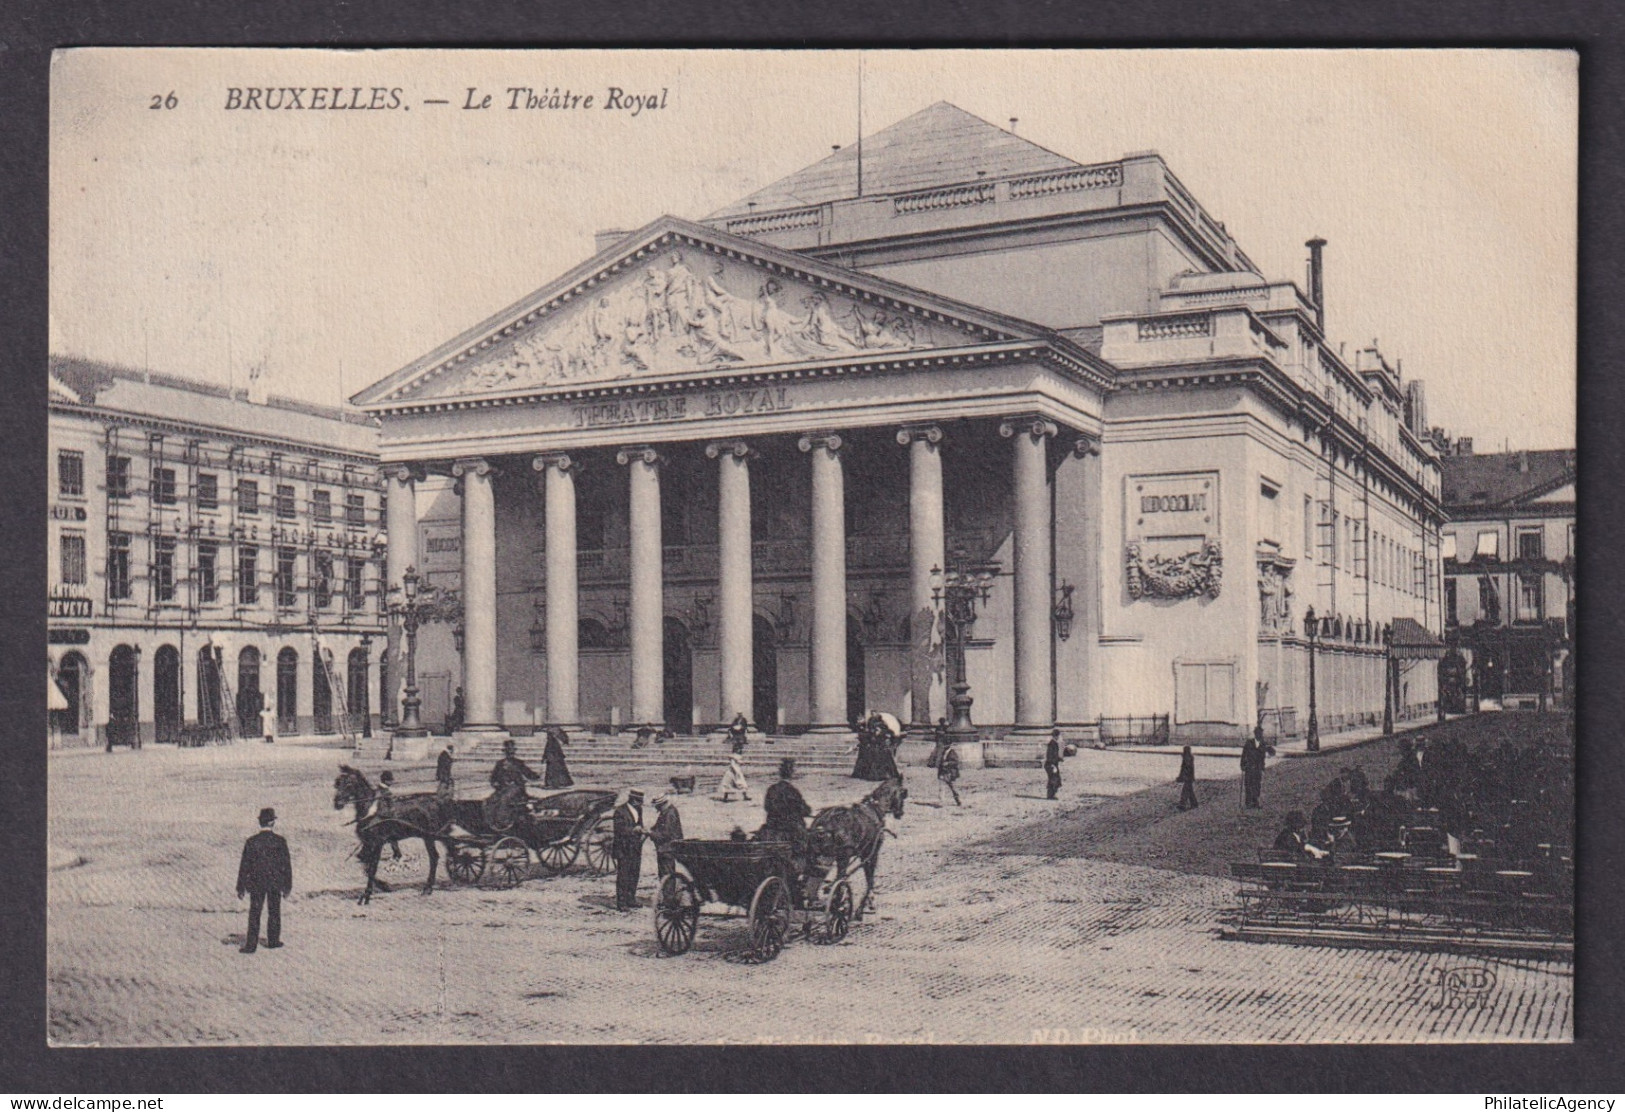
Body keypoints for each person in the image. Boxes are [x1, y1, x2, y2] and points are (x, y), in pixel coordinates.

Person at [236, 807, 292, 953]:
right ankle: (273, 941)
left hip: (256, 883)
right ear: (273, 822)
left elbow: (244, 866)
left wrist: (240, 887)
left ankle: (251, 945)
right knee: (274, 911)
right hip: (275, 883)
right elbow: (286, 866)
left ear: (260, 822)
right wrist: (287, 886)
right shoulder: (280, 841)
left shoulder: (251, 842)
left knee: (255, 912)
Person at [486, 738, 541, 829]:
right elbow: (493, 778)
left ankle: (503, 821)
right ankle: (492, 821)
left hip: (516, 788)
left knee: (505, 799)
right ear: (505, 752)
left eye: (512, 751)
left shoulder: (518, 763)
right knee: (491, 800)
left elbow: (528, 773)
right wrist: (495, 783)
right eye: (508, 751)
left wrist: (536, 776)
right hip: (502, 788)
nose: (510, 753)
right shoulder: (500, 764)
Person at [612, 789, 646, 911]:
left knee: (634, 873)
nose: (640, 804)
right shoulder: (620, 811)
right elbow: (619, 830)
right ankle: (621, 903)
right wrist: (634, 830)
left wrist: (641, 831)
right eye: (639, 801)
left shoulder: (638, 810)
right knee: (623, 875)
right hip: (623, 848)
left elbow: (640, 823)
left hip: (635, 847)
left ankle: (631, 898)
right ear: (632, 800)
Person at [647, 795, 684, 878]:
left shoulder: (669, 814)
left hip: (668, 849)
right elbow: (657, 827)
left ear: (661, 804)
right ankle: (666, 890)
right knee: (664, 874)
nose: (656, 809)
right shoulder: (665, 812)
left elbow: (666, 834)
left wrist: (650, 833)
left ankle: (668, 891)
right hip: (664, 849)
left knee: (667, 875)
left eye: (657, 807)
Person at [1240, 730, 1266, 809]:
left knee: (1257, 785)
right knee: (1249, 784)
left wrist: (1262, 767)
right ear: (1255, 734)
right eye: (1258, 734)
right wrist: (1242, 765)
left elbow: (1263, 757)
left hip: (1257, 768)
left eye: (1261, 734)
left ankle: (1255, 802)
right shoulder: (1249, 743)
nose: (1260, 736)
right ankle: (1248, 803)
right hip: (1249, 767)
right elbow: (1244, 755)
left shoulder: (1262, 744)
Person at [1175, 745, 1199, 811]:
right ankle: (1194, 803)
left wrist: (1181, 777)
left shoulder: (1186, 758)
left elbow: (1185, 769)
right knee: (1190, 791)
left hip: (1187, 778)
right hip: (1190, 778)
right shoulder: (1189, 757)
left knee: (1185, 791)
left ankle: (1182, 804)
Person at [1044, 729, 1064, 800]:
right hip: (1051, 764)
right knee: (1054, 779)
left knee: (1054, 779)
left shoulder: (1053, 743)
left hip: (1052, 764)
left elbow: (1054, 755)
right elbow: (1049, 755)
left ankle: (1051, 795)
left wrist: (1059, 759)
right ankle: (1051, 795)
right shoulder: (1052, 743)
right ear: (1056, 736)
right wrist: (1052, 765)